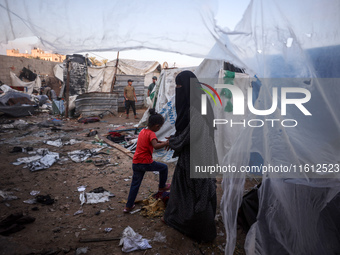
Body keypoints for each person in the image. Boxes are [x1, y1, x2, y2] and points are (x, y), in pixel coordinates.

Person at [163, 70, 217, 242]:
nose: (178, 89)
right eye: (176, 86)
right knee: (186, 187)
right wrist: (176, 138)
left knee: (199, 190)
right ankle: (181, 219)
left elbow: (193, 132)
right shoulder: (195, 101)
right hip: (192, 152)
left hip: (199, 153)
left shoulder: (198, 104)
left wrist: (172, 142)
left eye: (180, 86)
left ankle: (202, 231)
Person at [124, 108, 171, 213]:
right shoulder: (151, 134)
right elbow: (156, 145)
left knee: (135, 185)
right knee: (164, 167)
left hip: (136, 162)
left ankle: (128, 206)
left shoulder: (143, 132)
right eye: (160, 127)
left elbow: (158, 141)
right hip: (145, 163)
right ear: (157, 126)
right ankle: (162, 187)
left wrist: (165, 142)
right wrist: (167, 143)